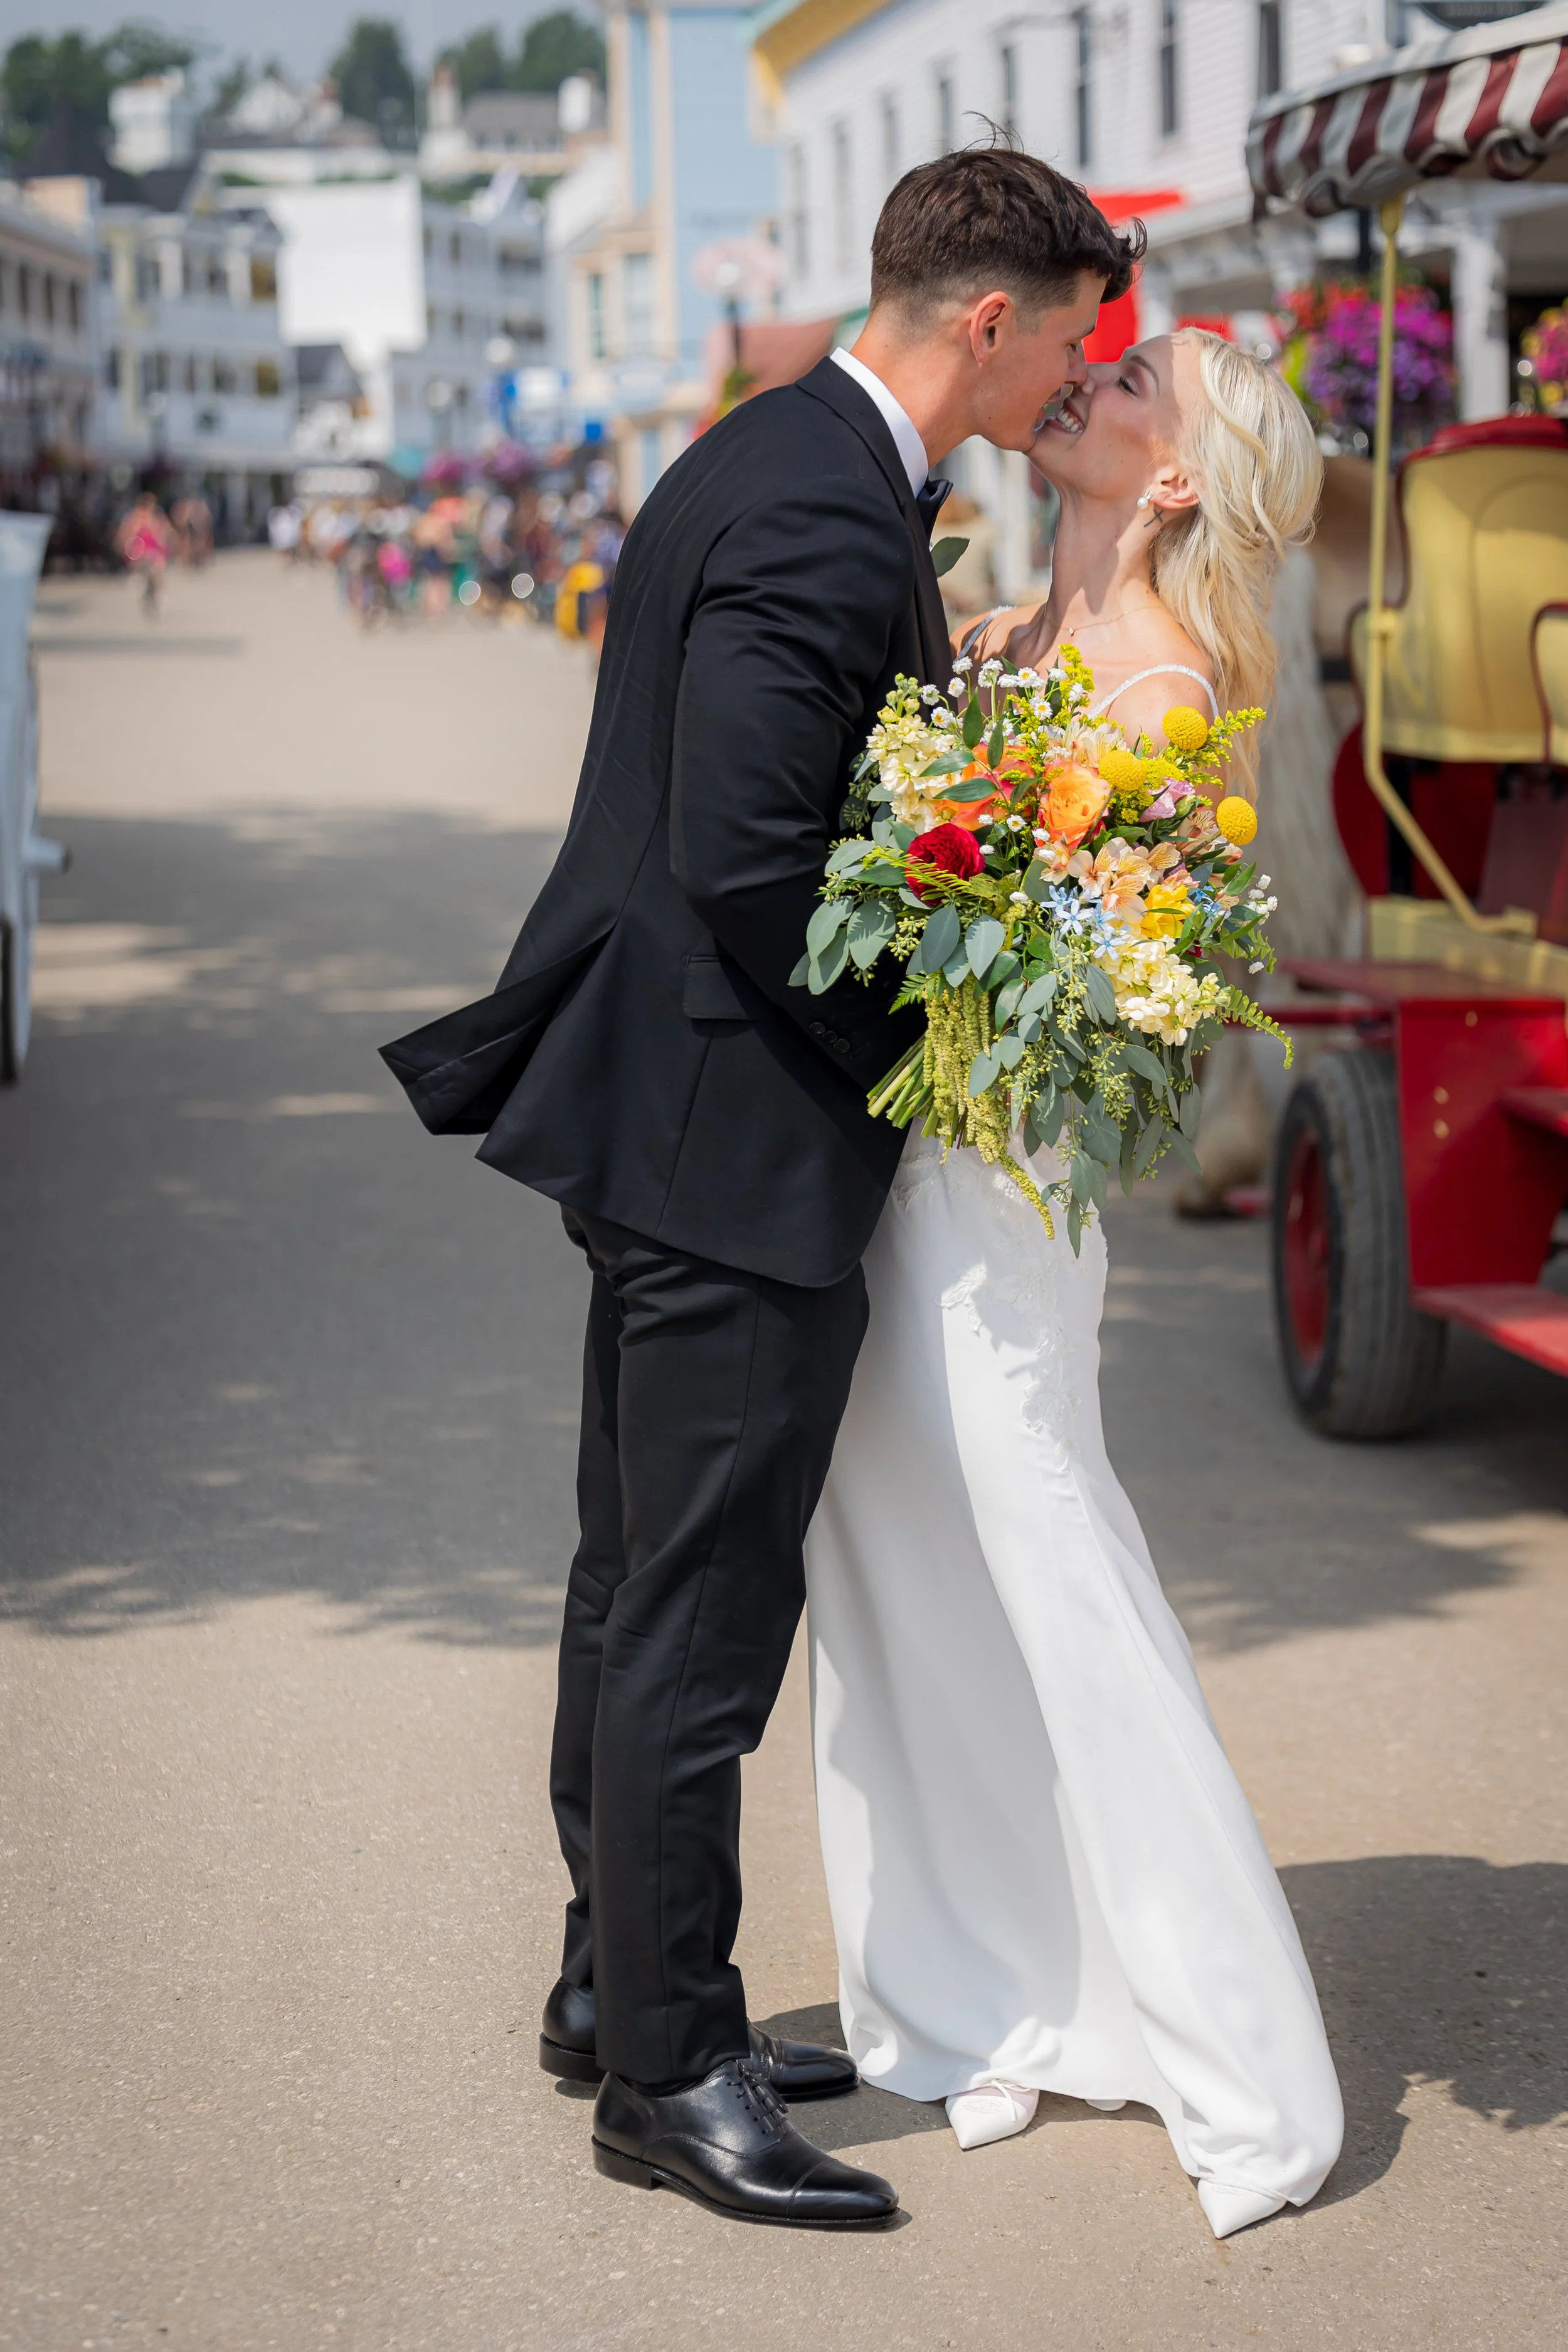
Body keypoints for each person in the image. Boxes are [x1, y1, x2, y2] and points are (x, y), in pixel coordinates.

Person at [381, 146, 1136, 2231]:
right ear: (989, 317)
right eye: (1072, 331)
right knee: (694, 1616)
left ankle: (609, 1981)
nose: (1081, 367)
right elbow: (749, 856)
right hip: (728, 1136)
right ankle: (669, 2068)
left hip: (664, 1113)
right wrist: (952, 1037)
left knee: (631, 1581)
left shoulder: (776, 449)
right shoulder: (819, 499)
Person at [805, 329, 1344, 2241]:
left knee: (1046, 1551)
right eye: (1100, 365)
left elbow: (1122, 965)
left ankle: (1230, 2042)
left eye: (1134, 391)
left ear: (1175, 480)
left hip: (1004, 1186)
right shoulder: (994, 625)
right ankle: (985, 1987)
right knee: (891, 1554)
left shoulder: (1169, 681)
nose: (1090, 388)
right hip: (902, 1159)